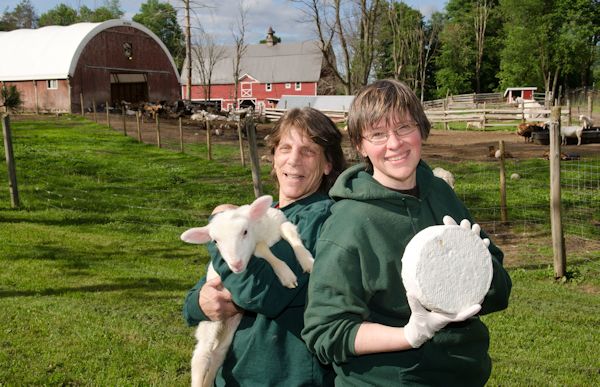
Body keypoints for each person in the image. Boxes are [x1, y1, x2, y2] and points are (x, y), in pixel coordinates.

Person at [302, 79, 512, 386]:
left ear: (421, 129)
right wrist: (410, 334)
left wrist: (476, 265)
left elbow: (500, 293)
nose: (394, 143)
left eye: (403, 127)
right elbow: (324, 331)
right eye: (377, 134)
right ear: (360, 145)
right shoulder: (349, 223)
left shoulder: (440, 193)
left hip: (466, 375)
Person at [183, 107, 347, 386]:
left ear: (328, 164)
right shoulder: (254, 219)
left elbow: (260, 291)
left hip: (282, 377)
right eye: (285, 148)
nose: (293, 160)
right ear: (273, 158)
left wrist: (218, 225)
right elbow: (194, 301)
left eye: (308, 151)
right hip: (233, 375)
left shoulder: (322, 218)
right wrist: (201, 303)